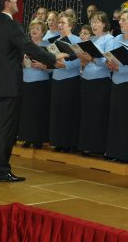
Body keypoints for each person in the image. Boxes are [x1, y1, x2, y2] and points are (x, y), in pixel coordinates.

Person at [0, 0, 61, 183]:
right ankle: (2, 170)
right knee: (6, 130)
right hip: (9, 86)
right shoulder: (13, 27)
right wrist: (53, 59)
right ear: (7, 4)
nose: (17, 1)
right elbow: (30, 48)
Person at [105, 8, 128, 163]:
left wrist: (120, 67)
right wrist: (109, 62)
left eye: (124, 20)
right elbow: (111, 57)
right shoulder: (117, 38)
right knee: (116, 118)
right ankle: (115, 151)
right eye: (120, 20)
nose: (120, 22)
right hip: (117, 82)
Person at [77, 11, 115, 156]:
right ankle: (87, 145)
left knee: (99, 114)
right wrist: (83, 62)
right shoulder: (90, 40)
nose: (94, 25)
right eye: (92, 22)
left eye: (97, 22)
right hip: (86, 80)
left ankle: (99, 147)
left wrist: (92, 58)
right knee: (87, 113)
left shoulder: (109, 39)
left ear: (104, 24)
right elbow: (86, 61)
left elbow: (108, 61)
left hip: (101, 82)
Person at [49, 13, 82, 152]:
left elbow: (81, 59)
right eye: (59, 23)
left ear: (71, 25)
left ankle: (69, 143)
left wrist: (66, 65)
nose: (60, 25)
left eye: (63, 23)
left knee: (69, 111)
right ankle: (59, 142)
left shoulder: (76, 39)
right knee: (58, 111)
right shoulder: (55, 40)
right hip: (57, 79)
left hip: (70, 80)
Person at [18, 20, 51, 149]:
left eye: (37, 28)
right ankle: (27, 138)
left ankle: (39, 140)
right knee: (27, 112)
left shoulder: (47, 45)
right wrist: (22, 63)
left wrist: (42, 66)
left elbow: (53, 66)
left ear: (43, 32)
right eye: (32, 28)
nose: (33, 30)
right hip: (26, 81)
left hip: (41, 83)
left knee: (39, 111)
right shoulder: (26, 45)